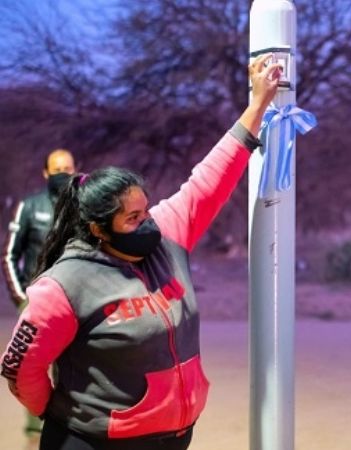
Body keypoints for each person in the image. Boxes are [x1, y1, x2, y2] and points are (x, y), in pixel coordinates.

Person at [0, 54, 283, 450]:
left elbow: (208, 180)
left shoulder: (166, 234)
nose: (147, 222)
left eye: (145, 209)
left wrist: (256, 107)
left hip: (174, 437)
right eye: (133, 218)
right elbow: (20, 368)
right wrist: (63, 416)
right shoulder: (64, 286)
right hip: (95, 442)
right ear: (98, 228)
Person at [2, 148, 76, 444]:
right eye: (57, 169)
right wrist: (22, 298)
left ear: (76, 169)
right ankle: (36, 434)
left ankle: (70, 430)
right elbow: (9, 255)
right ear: (46, 173)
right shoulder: (29, 206)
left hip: (76, 304)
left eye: (68, 168)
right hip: (38, 305)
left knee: (73, 366)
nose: (63, 174)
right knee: (32, 367)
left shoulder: (85, 207)